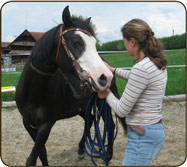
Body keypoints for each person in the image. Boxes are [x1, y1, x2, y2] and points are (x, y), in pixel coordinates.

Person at [98, 19, 168, 166]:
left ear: (132, 41)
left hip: (142, 137)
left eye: (124, 41)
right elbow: (137, 78)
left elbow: (121, 110)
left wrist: (107, 94)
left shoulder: (141, 69)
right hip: (154, 131)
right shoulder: (156, 63)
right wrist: (114, 71)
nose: (124, 45)